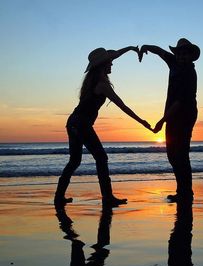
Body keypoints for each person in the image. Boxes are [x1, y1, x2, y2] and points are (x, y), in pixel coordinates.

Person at [54, 46, 151, 208]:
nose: (112, 65)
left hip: (73, 122)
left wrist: (132, 49)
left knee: (74, 161)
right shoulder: (102, 85)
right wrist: (142, 122)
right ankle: (107, 198)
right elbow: (122, 106)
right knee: (101, 158)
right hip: (81, 123)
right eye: (109, 63)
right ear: (102, 65)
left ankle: (59, 197)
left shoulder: (92, 80)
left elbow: (115, 54)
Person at [139, 38, 200, 202]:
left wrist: (162, 120)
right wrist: (146, 46)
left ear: (190, 56)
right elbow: (159, 51)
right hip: (172, 115)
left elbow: (180, 102)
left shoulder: (189, 74)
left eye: (185, 54)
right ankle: (183, 191)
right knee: (172, 155)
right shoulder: (173, 61)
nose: (182, 56)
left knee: (181, 154)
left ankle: (185, 193)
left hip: (184, 114)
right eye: (179, 53)